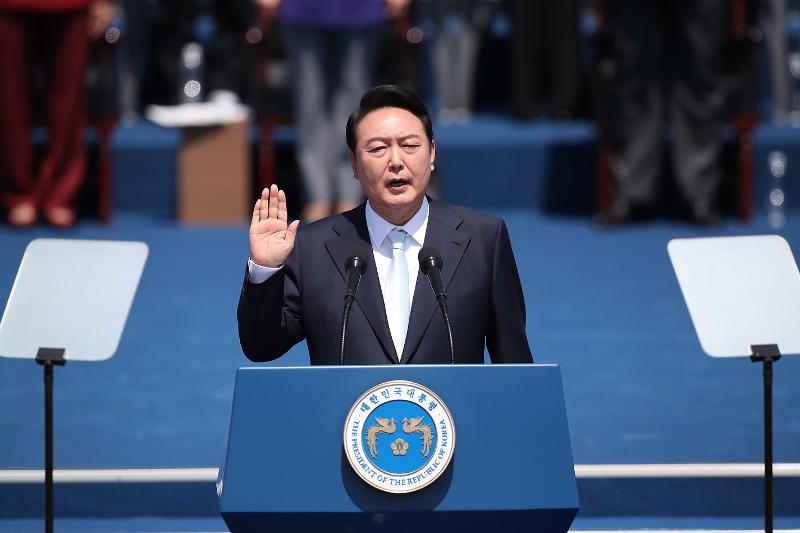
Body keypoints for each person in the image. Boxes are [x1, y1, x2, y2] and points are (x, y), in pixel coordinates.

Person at [238, 85, 532, 365]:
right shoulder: (313, 247)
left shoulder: (482, 239)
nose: (395, 161)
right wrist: (265, 269)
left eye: (409, 145)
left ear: (431, 154)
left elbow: (514, 361)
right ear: (354, 164)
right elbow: (261, 347)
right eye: (378, 148)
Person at [0, 0, 114, 227]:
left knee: (70, 98)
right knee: (9, 95)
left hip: (71, 5)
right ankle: (18, 190)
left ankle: (60, 192)